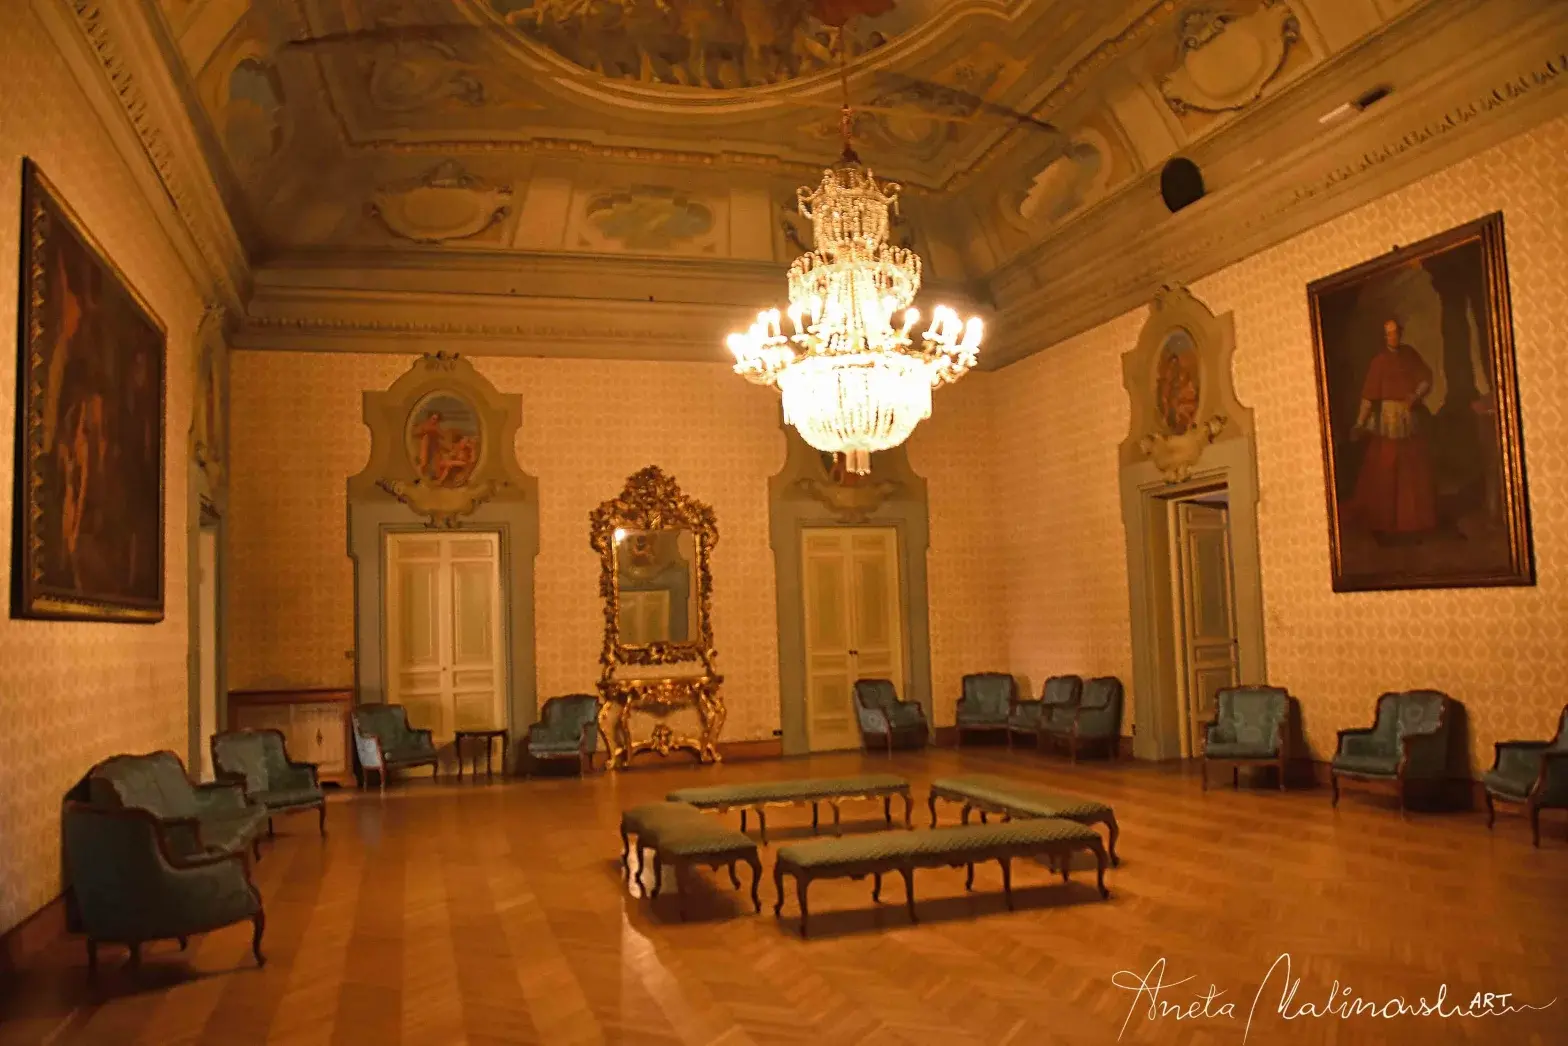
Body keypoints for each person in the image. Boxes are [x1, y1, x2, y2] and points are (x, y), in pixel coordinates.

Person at [1346, 318, 1437, 540]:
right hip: (1389, 421)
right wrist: (1360, 423)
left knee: (1412, 468)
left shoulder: (1410, 354)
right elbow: (1368, 397)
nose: (1393, 337)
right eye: (1389, 333)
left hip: (1408, 417)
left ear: (1400, 333)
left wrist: (1415, 395)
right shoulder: (1378, 362)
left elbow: (1426, 379)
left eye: (1396, 332)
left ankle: (1413, 522)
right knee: (1386, 467)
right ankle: (1386, 523)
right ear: (1384, 337)